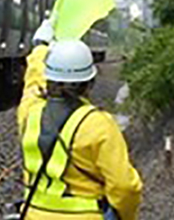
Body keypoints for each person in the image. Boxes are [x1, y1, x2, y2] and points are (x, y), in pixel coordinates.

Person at [16, 18, 142, 220]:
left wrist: (40, 47)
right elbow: (125, 187)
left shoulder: (30, 112)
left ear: (50, 79)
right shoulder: (100, 126)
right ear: (89, 83)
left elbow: (33, 81)